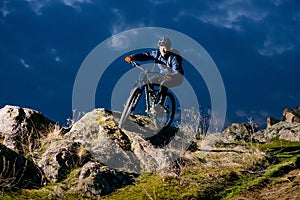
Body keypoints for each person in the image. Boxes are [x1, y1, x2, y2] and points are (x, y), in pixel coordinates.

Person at [125, 36, 184, 113]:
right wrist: (132, 57)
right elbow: (145, 55)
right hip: (162, 76)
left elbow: (178, 71)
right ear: (159, 47)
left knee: (164, 84)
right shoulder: (157, 54)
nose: (164, 50)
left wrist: (172, 76)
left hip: (176, 78)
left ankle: (159, 106)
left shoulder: (173, 58)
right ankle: (148, 100)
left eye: (166, 47)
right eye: (162, 47)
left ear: (169, 48)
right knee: (149, 81)